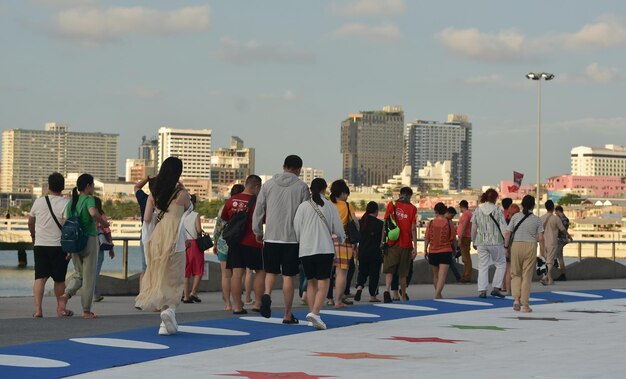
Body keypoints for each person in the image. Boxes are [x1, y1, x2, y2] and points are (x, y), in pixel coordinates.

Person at [135, 157, 192, 335]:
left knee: (161, 275)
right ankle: (169, 311)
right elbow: (190, 212)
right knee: (175, 277)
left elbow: (146, 218)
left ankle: (163, 323)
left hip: (158, 237)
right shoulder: (182, 194)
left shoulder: (154, 193)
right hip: (176, 238)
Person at [252, 155, 309, 323]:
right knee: (288, 276)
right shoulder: (302, 187)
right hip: (292, 238)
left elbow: (259, 209)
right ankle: (287, 314)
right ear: (299, 169)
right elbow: (305, 213)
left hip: (271, 237)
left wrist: (257, 230)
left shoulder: (268, 184)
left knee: (270, 272)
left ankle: (267, 294)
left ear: (284, 166)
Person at [294, 178, 346, 330]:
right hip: (324, 249)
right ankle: (316, 313)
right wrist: (342, 239)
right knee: (324, 284)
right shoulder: (329, 206)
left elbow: (297, 229)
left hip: (306, 250)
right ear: (325, 189)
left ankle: (312, 315)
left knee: (311, 283)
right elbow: (339, 230)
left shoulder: (303, 206)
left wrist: (302, 240)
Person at [58, 174, 109, 319]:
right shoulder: (89, 199)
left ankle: (66, 295)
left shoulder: (72, 202)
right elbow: (93, 213)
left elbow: (66, 221)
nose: (93, 188)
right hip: (88, 240)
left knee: (78, 274)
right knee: (89, 276)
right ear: (87, 186)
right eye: (92, 185)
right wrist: (104, 223)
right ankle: (86, 310)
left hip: (74, 242)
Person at [28, 172, 71, 318]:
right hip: (59, 246)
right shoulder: (66, 203)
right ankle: (60, 309)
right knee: (59, 280)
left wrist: (33, 235)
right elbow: (67, 226)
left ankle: (38, 309)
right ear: (62, 187)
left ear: (49, 185)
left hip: (40, 245)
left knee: (40, 278)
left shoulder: (38, 202)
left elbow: (30, 221)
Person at [221, 175, 266, 315]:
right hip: (254, 241)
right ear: (257, 187)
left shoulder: (231, 200)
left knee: (236, 274)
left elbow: (225, 218)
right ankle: (257, 303)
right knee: (260, 271)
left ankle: (237, 306)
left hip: (235, 242)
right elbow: (264, 220)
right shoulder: (258, 202)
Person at [505, 195, 545, 313]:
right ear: (533, 205)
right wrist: (543, 253)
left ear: (522, 204)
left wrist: (506, 247)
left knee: (515, 274)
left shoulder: (515, 217)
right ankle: (525, 305)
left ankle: (516, 300)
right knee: (526, 276)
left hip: (516, 246)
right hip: (530, 246)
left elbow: (507, 233)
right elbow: (541, 238)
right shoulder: (537, 220)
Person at [382, 187, 418, 303]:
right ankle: (403, 296)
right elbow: (413, 228)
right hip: (406, 244)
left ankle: (387, 290)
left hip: (392, 242)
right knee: (403, 272)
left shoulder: (391, 205)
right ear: (409, 196)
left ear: (400, 194)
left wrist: (383, 241)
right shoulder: (412, 208)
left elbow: (385, 224)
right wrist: (415, 247)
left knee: (390, 269)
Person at [471, 188, 507, 299]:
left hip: (481, 242)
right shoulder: (498, 210)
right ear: (495, 198)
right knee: (501, 264)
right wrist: (507, 242)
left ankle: (482, 290)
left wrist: (474, 241)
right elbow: (503, 228)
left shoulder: (477, 210)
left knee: (482, 266)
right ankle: (496, 288)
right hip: (496, 241)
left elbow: (473, 227)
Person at [213, 184, 244, 311]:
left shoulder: (224, 207)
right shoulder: (244, 207)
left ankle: (228, 304)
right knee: (237, 275)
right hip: (238, 243)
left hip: (223, 243)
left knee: (225, 275)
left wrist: (215, 243)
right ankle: (238, 302)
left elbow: (218, 227)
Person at [328, 180, 359, 308]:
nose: (347, 196)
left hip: (327, 239)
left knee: (326, 272)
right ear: (342, 193)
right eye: (346, 193)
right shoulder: (347, 206)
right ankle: (338, 301)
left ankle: (328, 298)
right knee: (341, 272)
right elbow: (356, 223)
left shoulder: (327, 204)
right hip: (342, 239)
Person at [354, 201, 384, 303]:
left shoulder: (361, 222)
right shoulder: (380, 223)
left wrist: (355, 250)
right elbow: (382, 242)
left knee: (362, 272)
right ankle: (373, 296)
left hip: (362, 251)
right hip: (375, 253)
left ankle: (359, 288)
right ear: (376, 211)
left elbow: (356, 239)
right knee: (374, 275)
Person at [424, 202, 455, 299]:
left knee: (435, 275)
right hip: (445, 251)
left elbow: (427, 238)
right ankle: (437, 294)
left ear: (435, 211)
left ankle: (438, 294)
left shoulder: (431, 223)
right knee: (442, 276)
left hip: (433, 251)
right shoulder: (449, 223)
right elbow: (452, 238)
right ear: (445, 211)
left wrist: (425, 250)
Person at [540, 200, 569, 285]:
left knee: (545, 260)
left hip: (543, 242)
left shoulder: (541, 218)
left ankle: (549, 279)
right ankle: (546, 278)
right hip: (552, 242)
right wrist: (569, 236)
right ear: (553, 208)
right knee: (550, 262)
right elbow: (563, 230)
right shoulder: (555, 218)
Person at [182, 195, 204, 304]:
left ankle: (185, 296)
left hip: (184, 244)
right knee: (198, 270)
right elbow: (198, 230)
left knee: (186, 272)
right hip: (195, 244)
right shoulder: (196, 215)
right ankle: (193, 292)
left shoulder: (181, 215)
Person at [135, 176, 154, 290]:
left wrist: (147, 178)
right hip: (160, 234)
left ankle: (142, 294)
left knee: (145, 267)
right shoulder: (165, 201)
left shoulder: (144, 199)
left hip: (145, 234)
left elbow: (137, 187)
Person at [93, 197, 114, 302]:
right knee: (96, 271)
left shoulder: (87, 214)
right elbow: (107, 231)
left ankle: (94, 293)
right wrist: (111, 247)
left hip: (88, 244)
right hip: (99, 245)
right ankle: (95, 294)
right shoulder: (101, 215)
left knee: (90, 271)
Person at [502, 203, 520, 294]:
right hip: (516, 245)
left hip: (506, 245)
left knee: (508, 269)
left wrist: (505, 247)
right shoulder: (518, 221)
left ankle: (507, 289)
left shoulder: (505, 220)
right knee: (516, 269)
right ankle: (514, 289)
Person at [457, 200, 473, 283]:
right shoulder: (470, 213)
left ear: (461, 206)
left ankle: (466, 276)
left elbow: (464, 225)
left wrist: (460, 238)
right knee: (466, 257)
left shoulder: (466, 214)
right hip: (466, 236)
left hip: (464, 237)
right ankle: (466, 275)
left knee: (466, 258)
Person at [445, 207, 462, 282]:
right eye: (452, 216)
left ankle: (458, 277)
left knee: (452, 262)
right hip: (447, 246)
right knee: (452, 262)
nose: (453, 217)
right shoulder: (446, 222)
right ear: (448, 213)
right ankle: (458, 278)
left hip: (450, 246)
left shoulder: (450, 221)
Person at [554, 205, 572, 281]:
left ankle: (562, 274)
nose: (555, 214)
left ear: (558, 211)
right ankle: (561, 272)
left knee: (560, 256)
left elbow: (562, 230)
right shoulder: (566, 219)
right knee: (559, 255)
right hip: (563, 239)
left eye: (556, 212)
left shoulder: (561, 220)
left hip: (560, 240)